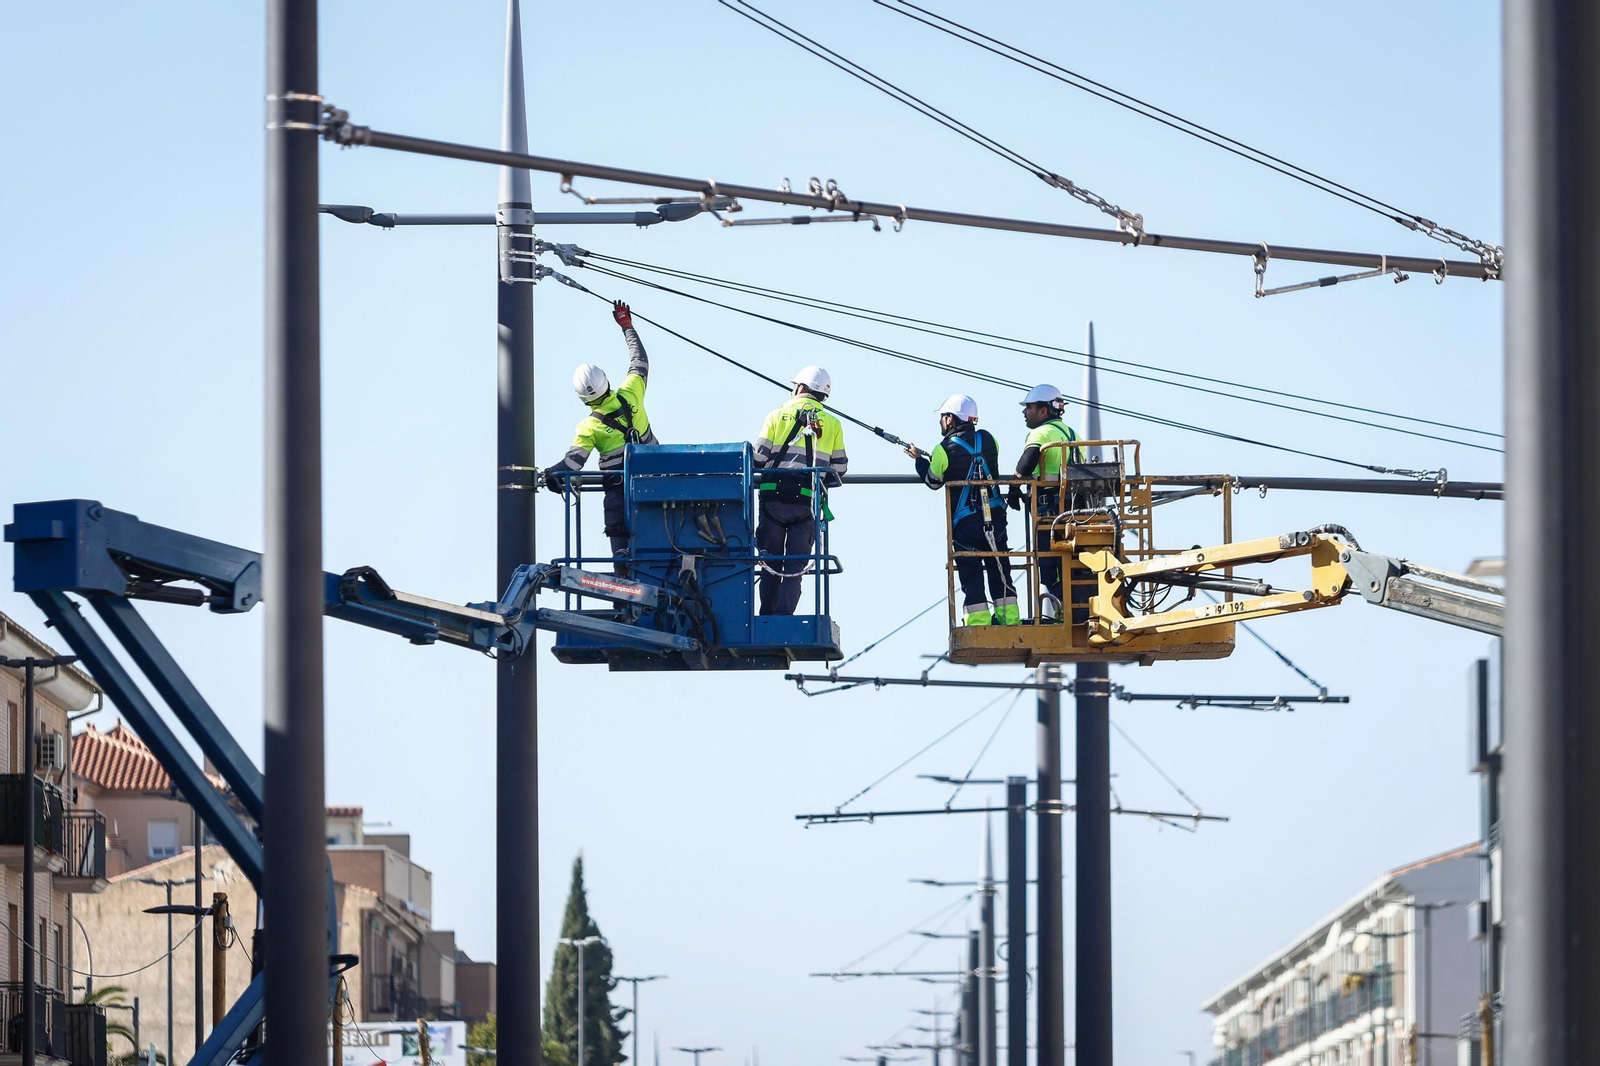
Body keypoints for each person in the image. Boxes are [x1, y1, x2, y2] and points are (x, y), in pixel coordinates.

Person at [542, 301, 656, 568]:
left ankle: (621, 559)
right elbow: (639, 361)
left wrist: (550, 475)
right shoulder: (631, 393)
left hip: (619, 492)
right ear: (606, 380)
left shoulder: (588, 428)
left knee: (616, 520)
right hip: (654, 482)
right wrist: (627, 326)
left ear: (582, 398)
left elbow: (572, 465)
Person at [906, 394, 1018, 626]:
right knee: (999, 568)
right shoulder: (989, 439)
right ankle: (1009, 620)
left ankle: (978, 622)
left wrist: (919, 460)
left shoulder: (943, 449)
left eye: (943, 417)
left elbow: (933, 481)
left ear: (950, 419)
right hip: (995, 517)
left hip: (967, 524)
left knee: (971, 572)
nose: (941, 422)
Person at [753, 366, 848, 615]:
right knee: (795, 568)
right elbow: (840, 468)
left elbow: (758, 458)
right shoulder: (833, 423)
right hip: (806, 503)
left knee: (770, 563)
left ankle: (767, 616)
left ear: (801, 388)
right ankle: (784, 616)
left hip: (773, 500)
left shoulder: (776, 416)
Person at [1008, 384, 1084, 618]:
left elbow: (1028, 460)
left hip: (1050, 514)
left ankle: (1070, 615)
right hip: (1076, 513)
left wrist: (1014, 487)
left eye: (1029, 407)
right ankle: (1078, 611)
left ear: (1043, 411)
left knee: (1050, 568)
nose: (1024, 412)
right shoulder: (1074, 435)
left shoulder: (1042, 433)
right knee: (1074, 565)